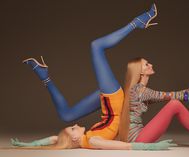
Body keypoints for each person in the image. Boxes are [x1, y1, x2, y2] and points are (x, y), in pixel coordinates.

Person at [11, 4, 176, 150]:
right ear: (75, 138)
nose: (74, 126)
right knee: (96, 46)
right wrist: (151, 148)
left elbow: (56, 139)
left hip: (109, 107)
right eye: (73, 129)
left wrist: (28, 145)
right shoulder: (93, 141)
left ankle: (44, 76)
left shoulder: (80, 139)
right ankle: (137, 22)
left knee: (66, 116)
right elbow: (125, 146)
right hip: (115, 106)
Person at [117, 59, 189, 148]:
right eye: (147, 64)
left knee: (174, 102)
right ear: (140, 72)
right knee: (174, 104)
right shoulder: (141, 90)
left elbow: (173, 94)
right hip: (138, 139)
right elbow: (173, 96)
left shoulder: (138, 90)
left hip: (139, 136)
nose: (151, 65)